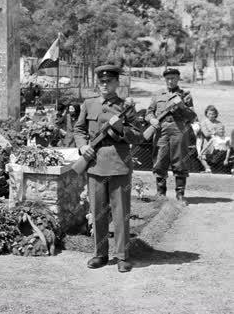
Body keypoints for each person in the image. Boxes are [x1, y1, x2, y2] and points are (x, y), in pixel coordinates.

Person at [73, 64, 142, 273]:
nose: (105, 84)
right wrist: (83, 146)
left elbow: (138, 136)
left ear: (117, 83)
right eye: (101, 81)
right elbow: (78, 129)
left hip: (119, 164)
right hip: (94, 165)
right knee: (98, 212)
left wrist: (122, 129)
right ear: (98, 83)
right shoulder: (89, 103)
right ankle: (100, 254)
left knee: (121, 213)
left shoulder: (126, 107)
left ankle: (122, 256)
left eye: (109, 81)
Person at [146, 68, 196, 204]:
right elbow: (149, 113)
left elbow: (192, 116)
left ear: (178, 79)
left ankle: (180, 195)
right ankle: (160, 194)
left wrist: (181, 105)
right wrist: (152, 120)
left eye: (173, 78)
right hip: (161, 130)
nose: (170, 81)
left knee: (180, 161)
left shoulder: (185, 95)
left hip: (178, 130)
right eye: (168, 78)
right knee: (160, 160)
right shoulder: (157, 95)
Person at [197, 105, 229, 173]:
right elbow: (206, 134)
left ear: (216, 114)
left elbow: (222, 133)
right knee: (201, 156)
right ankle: (207, 168)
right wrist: (215, 132)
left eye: (213, 114)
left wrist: (214, 132)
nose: (211, 115)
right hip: (207, 142)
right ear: (206, 114)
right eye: (209, 114)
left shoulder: (219, 123)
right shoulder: (204, 122)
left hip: (218, 143)